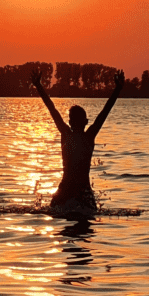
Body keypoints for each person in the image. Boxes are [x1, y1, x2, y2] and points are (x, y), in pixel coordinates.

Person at [31, 69, 125, 213]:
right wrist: (38, 86)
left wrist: (118, 89)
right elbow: (52, 109)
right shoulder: (72, 134)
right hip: (70, 189)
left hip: (77, 190)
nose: (71, 121)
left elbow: (104, 112)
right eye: (71, 119)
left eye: (74, 119)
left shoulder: (82, 135)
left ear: (83, 122)